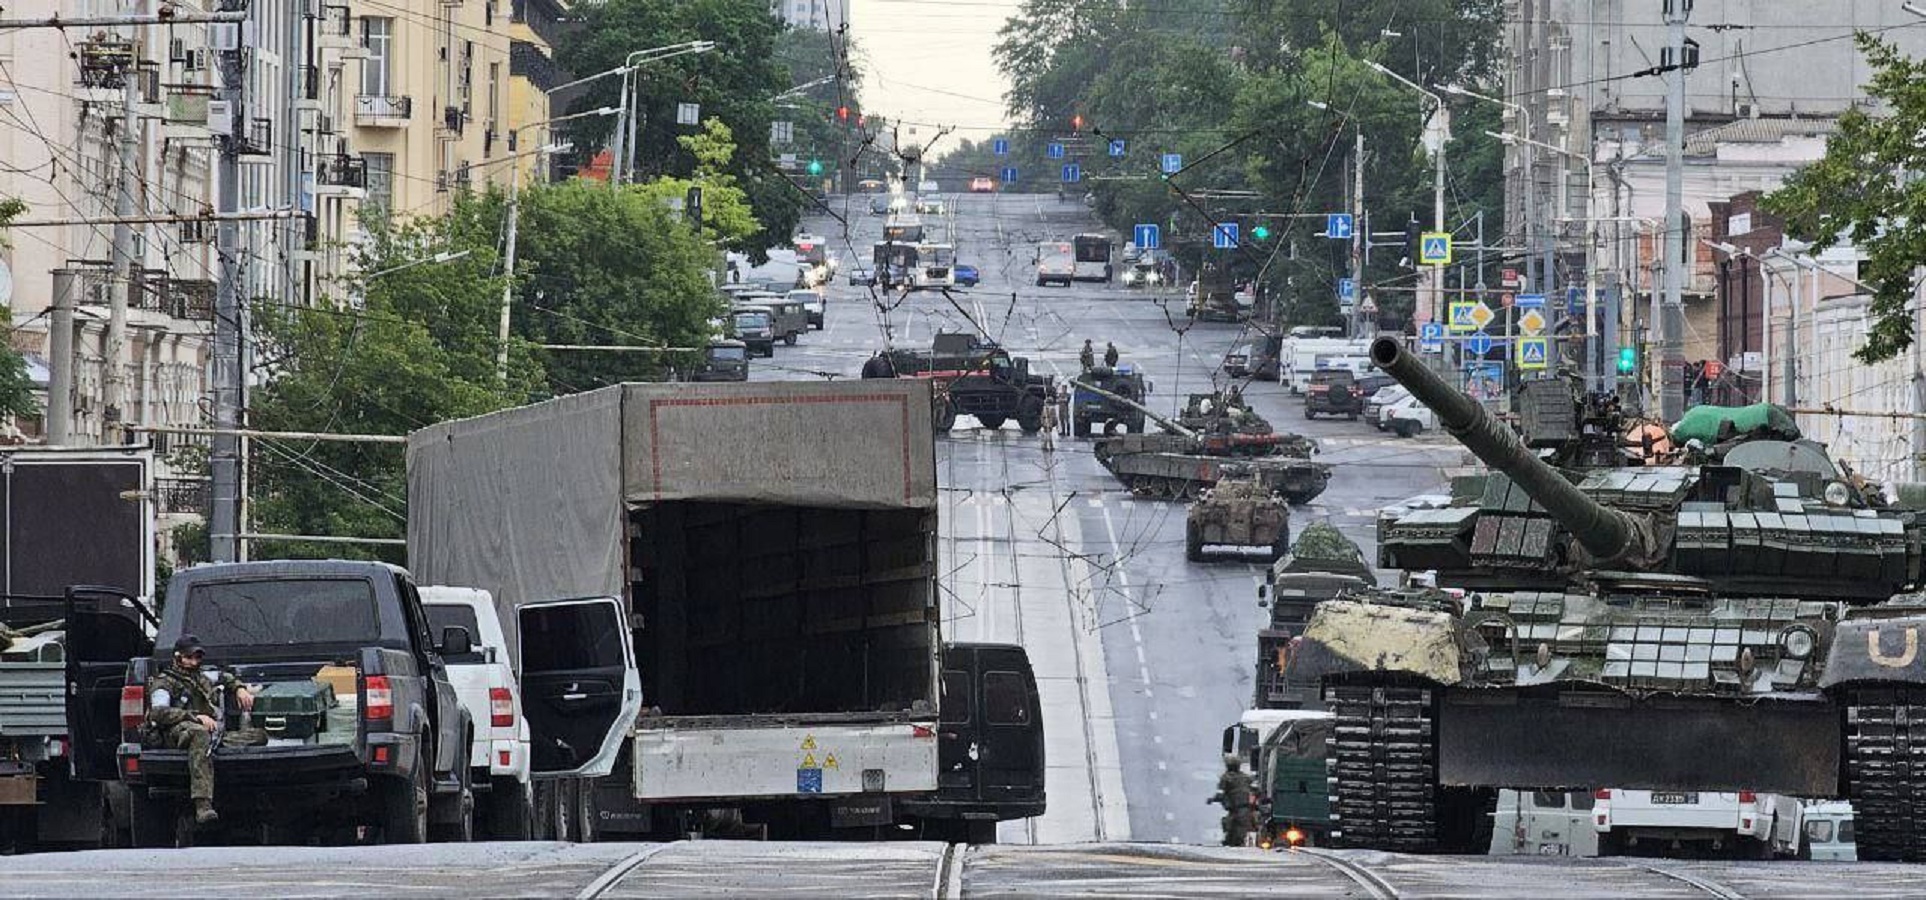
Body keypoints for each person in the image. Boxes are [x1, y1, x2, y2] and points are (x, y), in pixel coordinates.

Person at [145, 635, 259, 826]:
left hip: (209, 731)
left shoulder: (202, 677)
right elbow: (158, 713)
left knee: (258, 737)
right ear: (177, 657)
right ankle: (203, 805)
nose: (193, 662)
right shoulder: (165, 682)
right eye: (189, 657)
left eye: (197, 657)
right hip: (176, 732)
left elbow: (225, 677)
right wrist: (195, 717)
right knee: (200, 734)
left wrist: (240, 689)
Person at [1210, 753, 1257, 847]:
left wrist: (1212, 799)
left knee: (1231, 825)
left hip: (1237, 808)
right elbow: (1255, 788)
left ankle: (1233, 841)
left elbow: (1220, 793)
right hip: (1246, 808)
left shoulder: (1226, 777)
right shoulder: (1245, 777)